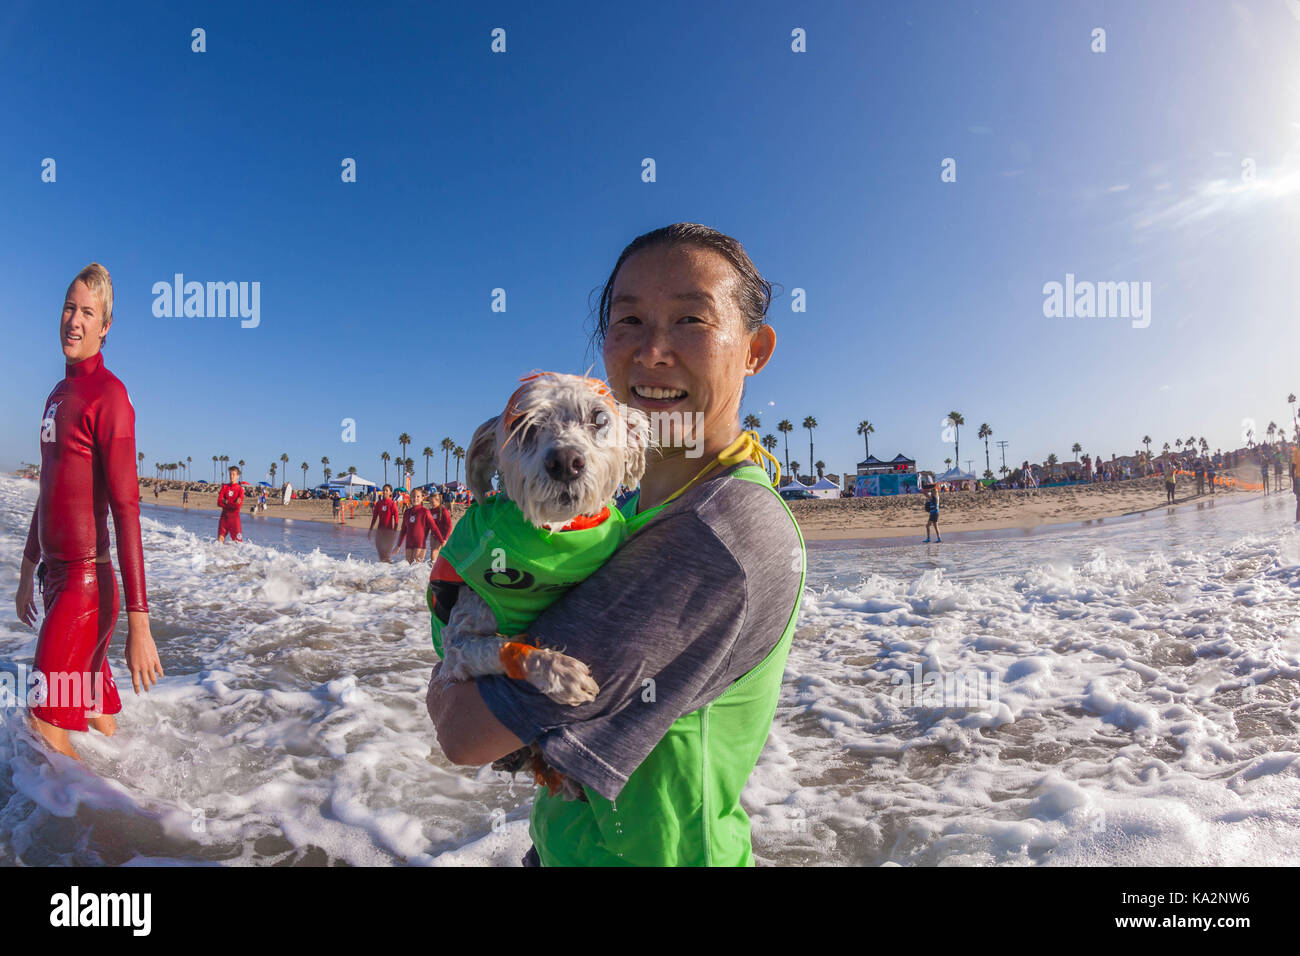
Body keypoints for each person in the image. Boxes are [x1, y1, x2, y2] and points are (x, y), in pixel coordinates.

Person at [425, 223, 803, 867]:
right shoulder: (621, 510)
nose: (653, 350)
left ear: (753, 350)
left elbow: (464, 733)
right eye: (629, 320)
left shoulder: (718, 530)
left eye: (690, 319)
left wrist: (447, 674)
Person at [14, 263, 163, 759]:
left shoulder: (111, 397)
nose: (74, 321)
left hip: (86, 588)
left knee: (42, 721)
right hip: (59, 581)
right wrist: (27, 568)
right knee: (96, 717)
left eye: (87, 313)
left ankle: (101, 828)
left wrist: (139, 624)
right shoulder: (58, 395)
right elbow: (48, 490)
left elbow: (126, 509)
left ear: (105, 327)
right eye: (69, 307)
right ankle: (140, 811)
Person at [396, 488, 435, 563]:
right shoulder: (407, 512)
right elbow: (403, 530)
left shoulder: (425, 512)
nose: (415, 498)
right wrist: (398, 545)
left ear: (422, 498)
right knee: (409, 569)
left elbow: (434, 528)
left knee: (416, 569)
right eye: (413, 496)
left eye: (418, 496)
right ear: (410, 498)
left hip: (420, 544)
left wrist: (442, 541)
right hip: (409, 544)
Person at [368, 483, 400, 562]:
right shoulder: (379, 503)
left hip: (389, 533)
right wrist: (370, 530)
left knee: (386, 556)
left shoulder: (392, 504)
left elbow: (396, 520)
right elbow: (374, 518)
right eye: (383, 490)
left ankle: (389, 572)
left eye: (386, 490)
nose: (384, 492)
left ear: (390, 493)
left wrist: (394, 533)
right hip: (379, 532)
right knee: (381, 556)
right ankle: (382, 573)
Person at [217, 466, 245, 542]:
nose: (231, 476)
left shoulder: (240, 490)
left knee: (238, 543)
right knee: (220, 540)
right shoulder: (225, 487)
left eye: (233, 474)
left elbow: (237, 507)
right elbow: (219, 502)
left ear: (238, 476)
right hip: (224, 518)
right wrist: (232, 503)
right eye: (230, 474)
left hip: (234, 520)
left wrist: (225, 501)